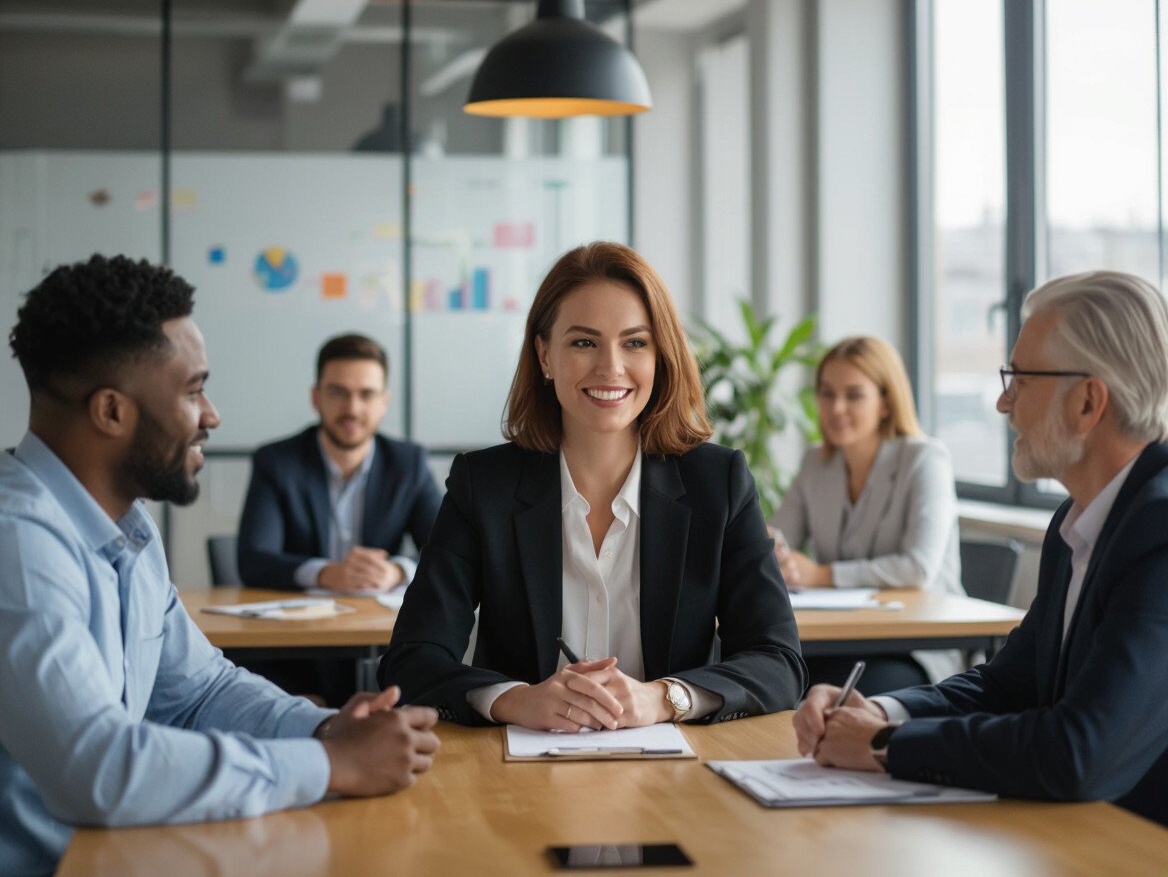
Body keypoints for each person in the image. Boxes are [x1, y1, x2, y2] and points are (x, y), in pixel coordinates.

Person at [0, 255, 440, 877]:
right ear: (111, 412)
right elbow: (97, 769)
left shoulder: (130, 531)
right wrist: (332, 766)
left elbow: (200, 690)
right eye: (192, 390)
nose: (212, 416)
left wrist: (323, 729)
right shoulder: (17, 545)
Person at [793, 271, 1168, 827]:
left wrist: (886, 745)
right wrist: (879, 711)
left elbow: (1079, 751)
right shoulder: (1075, 522)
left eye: (1020, 379)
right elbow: (1005, 683)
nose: (1001, 402)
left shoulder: (1159, 532)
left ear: (1088, 402)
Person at [379, 241, 806, 730]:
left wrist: (664, 699)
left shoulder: (719, 482)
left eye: (635, 343)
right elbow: (410, 661)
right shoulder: (485, 486)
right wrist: (516, 700)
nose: (610, 367)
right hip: (515, 776)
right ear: (544, 355)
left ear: (660, 356)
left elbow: (778, 662)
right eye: (583, 342)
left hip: (676, 774)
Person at [772, 336, 962, 693]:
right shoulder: (817, 463)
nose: (836, 408)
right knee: (768, 679)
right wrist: (775, 553)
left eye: (854, 395)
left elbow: (916, 568)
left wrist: (820, 574)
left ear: (886, 402)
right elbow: (778, 537)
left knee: (831, 694)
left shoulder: (925, 460)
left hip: (912, 649)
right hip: (837, 640)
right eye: (827, 393)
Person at [237, 333, 442, 594]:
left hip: (379, 627)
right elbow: (253, 560)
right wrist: (326, 573)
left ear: (384, 403)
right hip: (299, 629)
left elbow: (449, 550)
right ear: (316, 398)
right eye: (337, 392)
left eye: (366, 394)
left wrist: (397, 570)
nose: (352, 409)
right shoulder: (276, 462)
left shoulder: (409, 464)